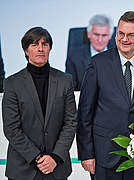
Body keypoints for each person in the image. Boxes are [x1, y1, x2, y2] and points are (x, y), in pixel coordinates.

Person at [76, 11, 134, 180]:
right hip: (105, 155)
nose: (124, 39)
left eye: (131, 35)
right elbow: (85, 113)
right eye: (121, 34)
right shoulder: (98, 63)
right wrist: (86, 153)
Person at [2, 27, 77, 180]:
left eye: (45, 44)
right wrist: (37, 158)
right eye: (35, 45)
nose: (40, 49)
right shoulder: (12, 83)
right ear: (26, 50)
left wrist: (55, 157)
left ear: (50, 48)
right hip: (23, 170)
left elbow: (70, 122)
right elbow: (11, 128)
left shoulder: (65, 81)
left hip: (56, 168)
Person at [65, 14, 115, 91]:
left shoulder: (121, 54)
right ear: (89, 34)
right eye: (96, 35)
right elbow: (70, 90)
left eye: (104, 35)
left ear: (110, 36)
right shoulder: (75, 57)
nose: (100, 40)